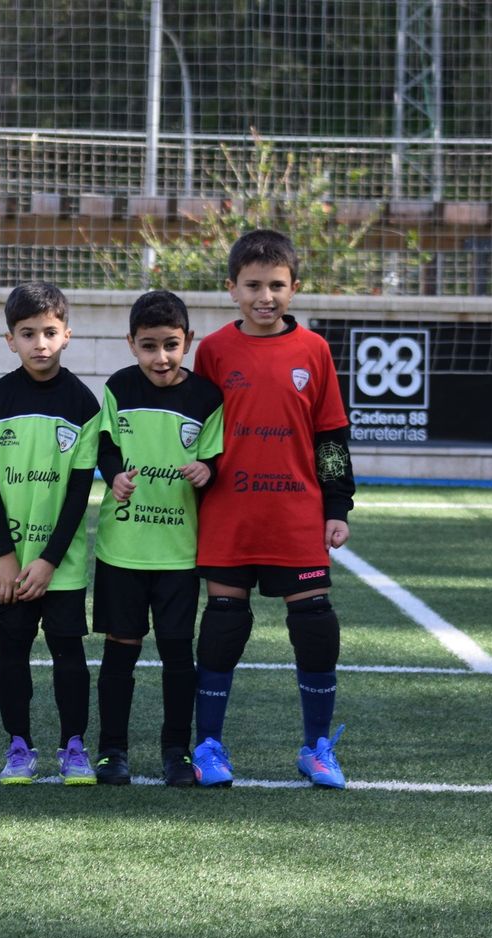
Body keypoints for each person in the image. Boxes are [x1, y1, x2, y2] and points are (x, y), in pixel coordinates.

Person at [190, 229, 355, 788]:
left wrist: (338, 506)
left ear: (295, 288)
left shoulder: (314, 351)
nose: (266, 296)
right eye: (253, 285)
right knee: (223, 625)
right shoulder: (211, 351)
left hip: (296, 516)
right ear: (231, 288)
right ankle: (208, 746)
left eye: (277, 285)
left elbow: (331, 436)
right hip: (229, 515)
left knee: (314, 624)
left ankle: (316, 747)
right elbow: (198, 434)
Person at [91, 291, 224, 788]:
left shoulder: (206, 398)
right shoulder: (118, 388)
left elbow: (217, 458)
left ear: (187, 342)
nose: (161, 357)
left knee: (175, 651)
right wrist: (114, 475)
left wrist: (205, 469)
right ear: (130, 344)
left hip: (178, 552)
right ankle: (112, 752)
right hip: (122, 548)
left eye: (171, 345)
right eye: (149, 346)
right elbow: (106, 446)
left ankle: (175, 750)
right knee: (120, 647)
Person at [0, 281, 101, 785]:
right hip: (7, 562)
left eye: (50, 332)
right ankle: (19, 746)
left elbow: (76, 496)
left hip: (60, 563)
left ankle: (73, 746)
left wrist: (49, 560)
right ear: (11, 340)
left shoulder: (84, 404)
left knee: (69, 653)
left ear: (67, 334)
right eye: (28, 334)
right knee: (13, 651)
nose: (40, 343)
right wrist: (6, 555)